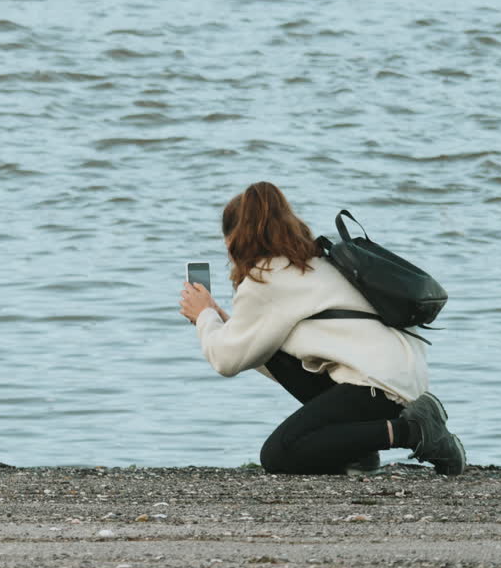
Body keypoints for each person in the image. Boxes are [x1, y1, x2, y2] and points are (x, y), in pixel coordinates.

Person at [178, 181, 465, 475]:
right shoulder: (314, 262)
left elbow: (226, 360)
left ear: (233, 240)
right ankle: (359, 450)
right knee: (277, 359)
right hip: (398, 375)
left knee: (279, 455)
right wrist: (217, 316)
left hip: (379, 386)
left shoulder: (265, 280)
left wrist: (204, 317)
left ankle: (414, 432)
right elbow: (255, 347)